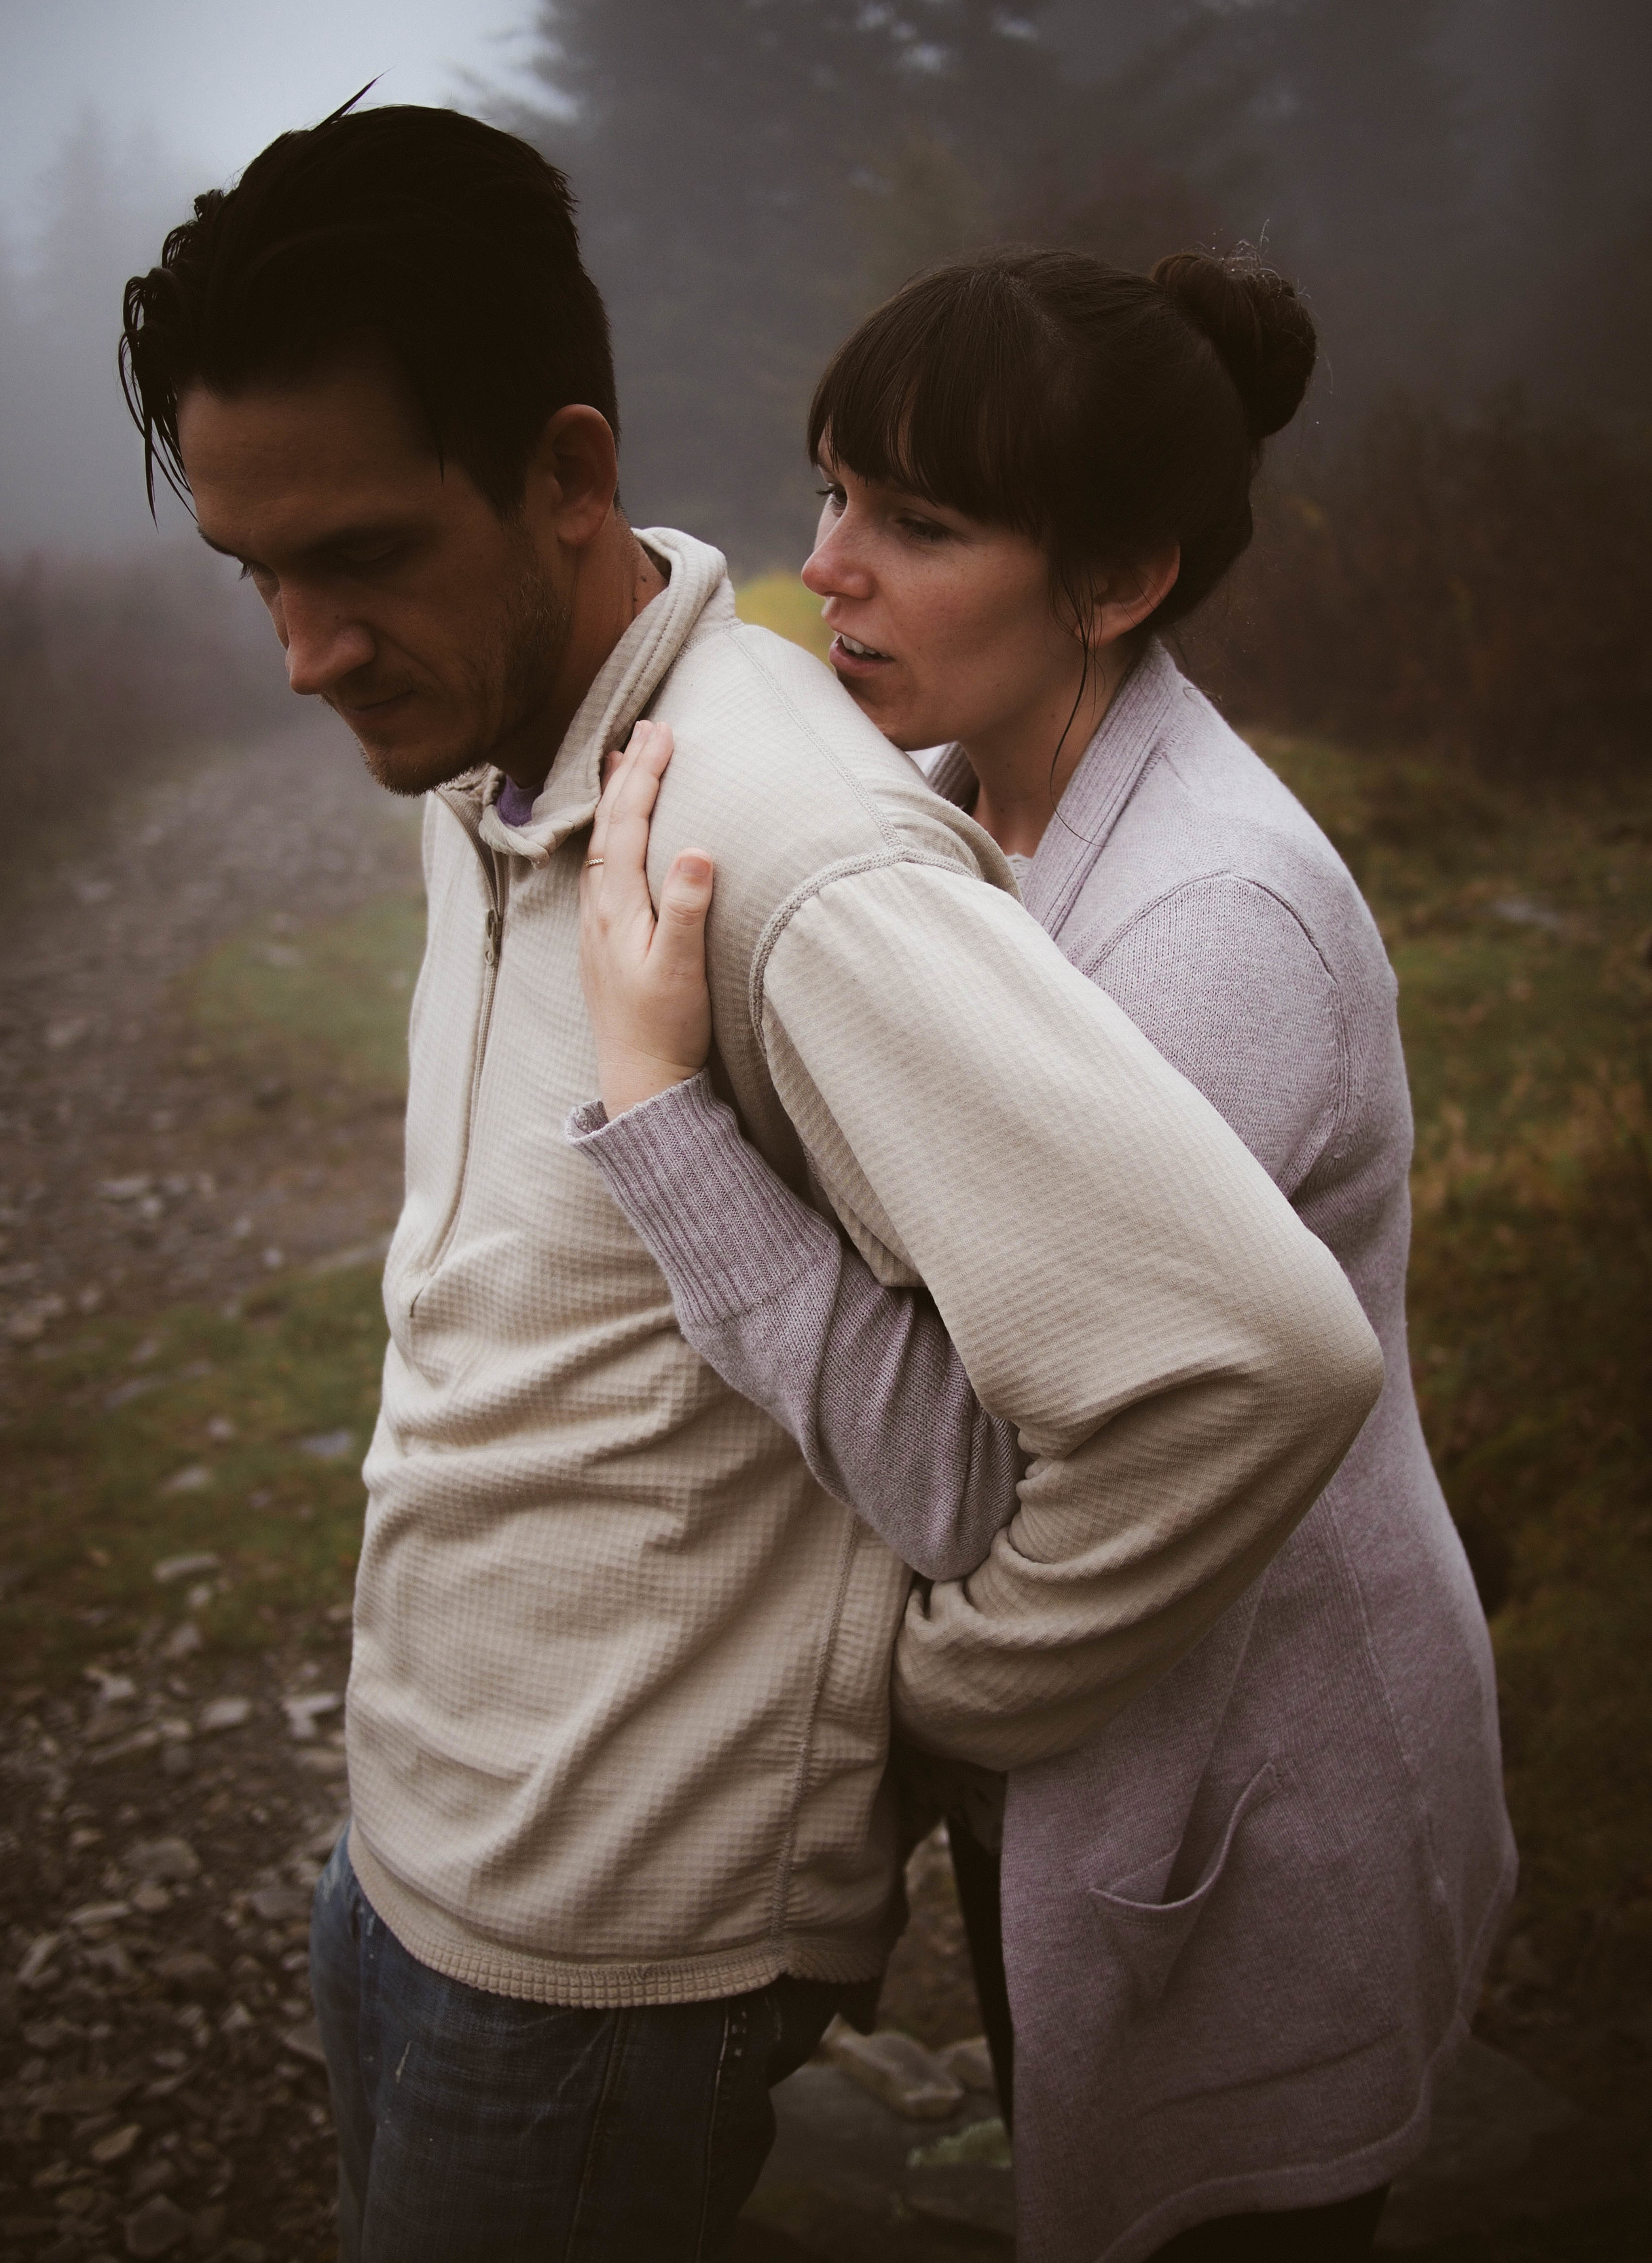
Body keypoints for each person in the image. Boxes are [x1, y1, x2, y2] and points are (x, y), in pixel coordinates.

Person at [119, 107, 1383, 2262]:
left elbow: (1240, 1369)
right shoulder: (503, 726)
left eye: (359, 558)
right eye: (259, 573)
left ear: (567, 475)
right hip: (421, 1849)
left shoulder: (790, 853)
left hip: (604, 1952)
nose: (305, 651)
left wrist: (940, 1689)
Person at [574, 247, 1516, 2262]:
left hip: (1265, 1790)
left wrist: (667, 1123)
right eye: (832, 491)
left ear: (1114, 584)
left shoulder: (1208, 928)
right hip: (1103, 1760)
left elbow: (1002, 1482)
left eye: (918, 523)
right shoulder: (946, 817)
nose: (826, 566)